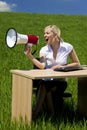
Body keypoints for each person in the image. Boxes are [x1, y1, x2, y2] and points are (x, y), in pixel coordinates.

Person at [25, 25, 80, 119]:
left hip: (60, 82)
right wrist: (29, 55)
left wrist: (62, 66)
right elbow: (42, 66)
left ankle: (36, 115)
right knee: (45, 86)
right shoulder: (44, 49)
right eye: (44, 33)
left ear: (56, 35)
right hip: (47, 81)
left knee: (45, 87)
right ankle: (49, 115)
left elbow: (77, 63)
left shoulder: (67, 47)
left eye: (47, 33)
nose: (44, 35)